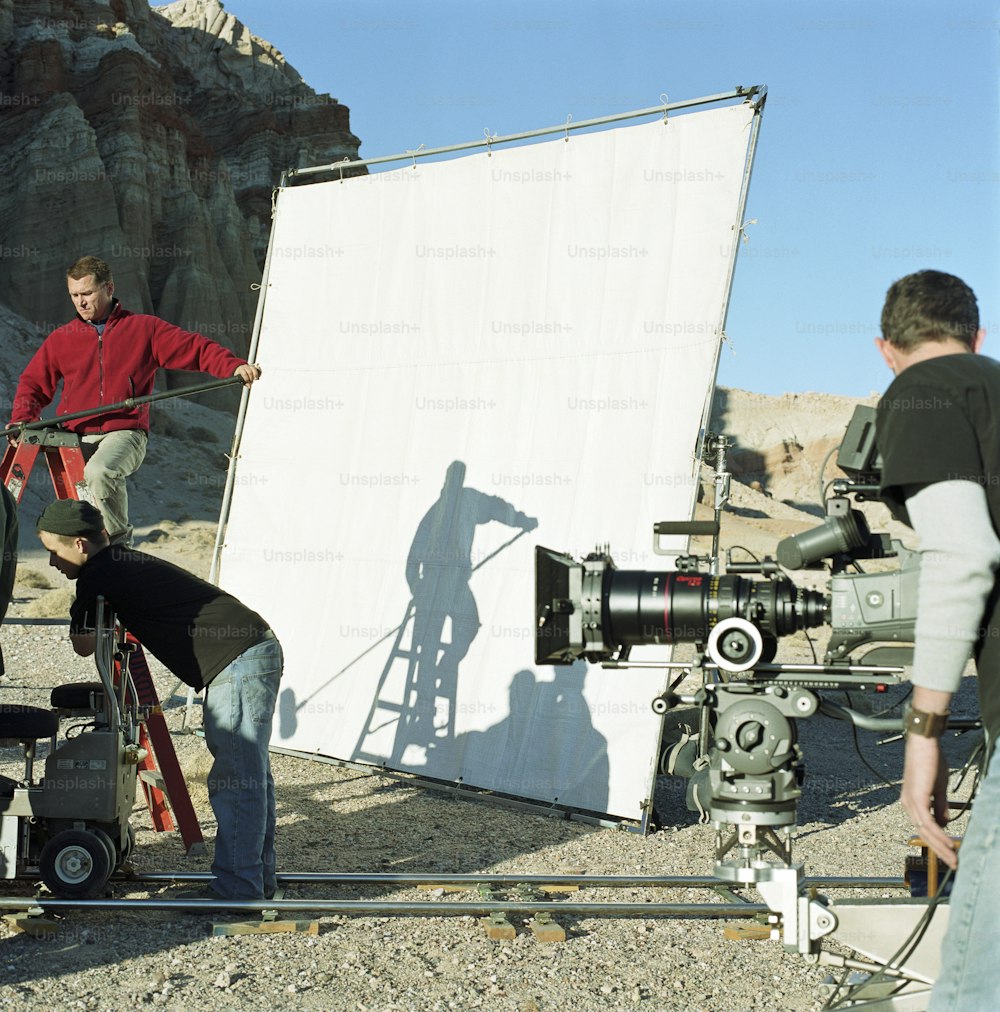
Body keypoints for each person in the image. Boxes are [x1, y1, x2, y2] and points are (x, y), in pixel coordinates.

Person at [36, 498, 282, 904]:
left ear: (79, 545)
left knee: (237, 778)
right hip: (250, 649)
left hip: (238, 657)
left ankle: (238, 892)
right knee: (250, 776)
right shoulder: (119, 560)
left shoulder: (98, 572)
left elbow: (83, 645)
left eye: (53, 550)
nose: (50, 563)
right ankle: (255, 883)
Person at [874, 269, 1000, 1009]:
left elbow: (963, 553)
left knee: (975, 986)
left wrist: (923, 730)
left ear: (887, 350)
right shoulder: (990, 385)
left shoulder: (925, 391)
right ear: (979, 336)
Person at [8, 255, 262, 546]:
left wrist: (232, 365)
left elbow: (196, 348)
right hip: (75, 438)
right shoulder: (61, 339)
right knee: (81, 509)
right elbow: (33, 384)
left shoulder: (144, 328)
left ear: (109, 288)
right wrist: (23, 420)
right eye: (75, 295)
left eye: (87, 293)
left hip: (125, 433)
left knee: (100, 471)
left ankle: (118, 549)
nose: (81, 302)